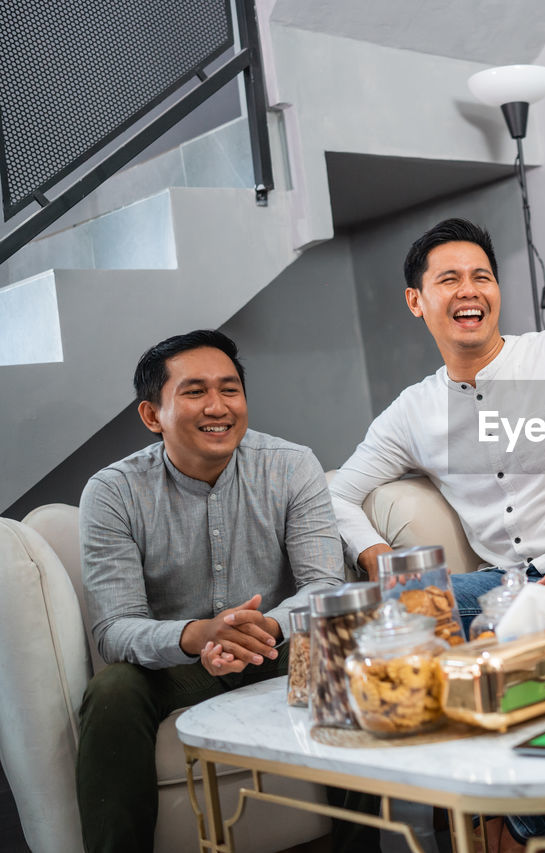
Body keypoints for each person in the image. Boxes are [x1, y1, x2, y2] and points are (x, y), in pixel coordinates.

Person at [327, 217, 545, 846]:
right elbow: (335, 492)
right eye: (450, 280)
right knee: (365, 643)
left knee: (537, 658)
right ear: (418, 301)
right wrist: (384, 562)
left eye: (482, 277)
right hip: (501, 585)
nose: (470, 291)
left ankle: (541, 833)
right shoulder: (413, 410)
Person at [75, 330, 369, 852]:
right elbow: (114, 628)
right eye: (194, 392)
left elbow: (325, 586)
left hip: (276, 651)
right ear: (152, 415)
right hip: (180, 668)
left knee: (343, 648)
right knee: (113, 692)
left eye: (230, 389)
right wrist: (197, 636)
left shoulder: (290, 465)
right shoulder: (113, 492)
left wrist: (268, 627)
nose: (218, 406)